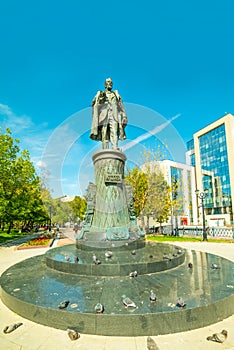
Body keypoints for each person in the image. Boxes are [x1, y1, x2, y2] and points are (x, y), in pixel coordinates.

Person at [90, 78, 128, 149]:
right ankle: (105, 149)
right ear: (105, 84)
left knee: (114, 131)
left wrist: (124, 115)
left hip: (114, 114)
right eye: (108, 82)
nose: (109, 83)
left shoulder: (115, 94)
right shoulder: (101, 93)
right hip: (104, 115)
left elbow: (121, 105)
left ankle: (115, 147)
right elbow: (94, 102)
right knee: (104, 133)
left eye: (111, 82)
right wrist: (99, 99)